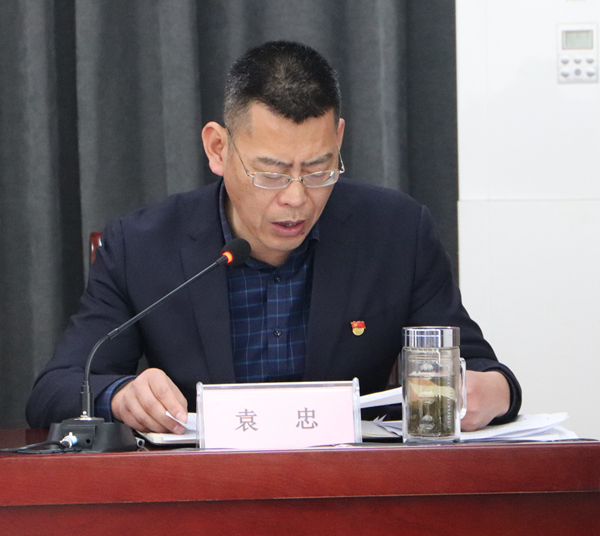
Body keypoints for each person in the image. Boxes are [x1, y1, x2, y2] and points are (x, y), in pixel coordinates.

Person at [26, 41, 521, 435]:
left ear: (338, 140)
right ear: (218, 149)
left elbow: (482, 370)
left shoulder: (397, 233)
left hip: (351, 494)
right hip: (204, 495)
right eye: (271, 173)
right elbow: (55, 388)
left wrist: (491, 392)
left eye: (319, 169)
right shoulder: (142, 245)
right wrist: (119, 395)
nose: (297, 198)